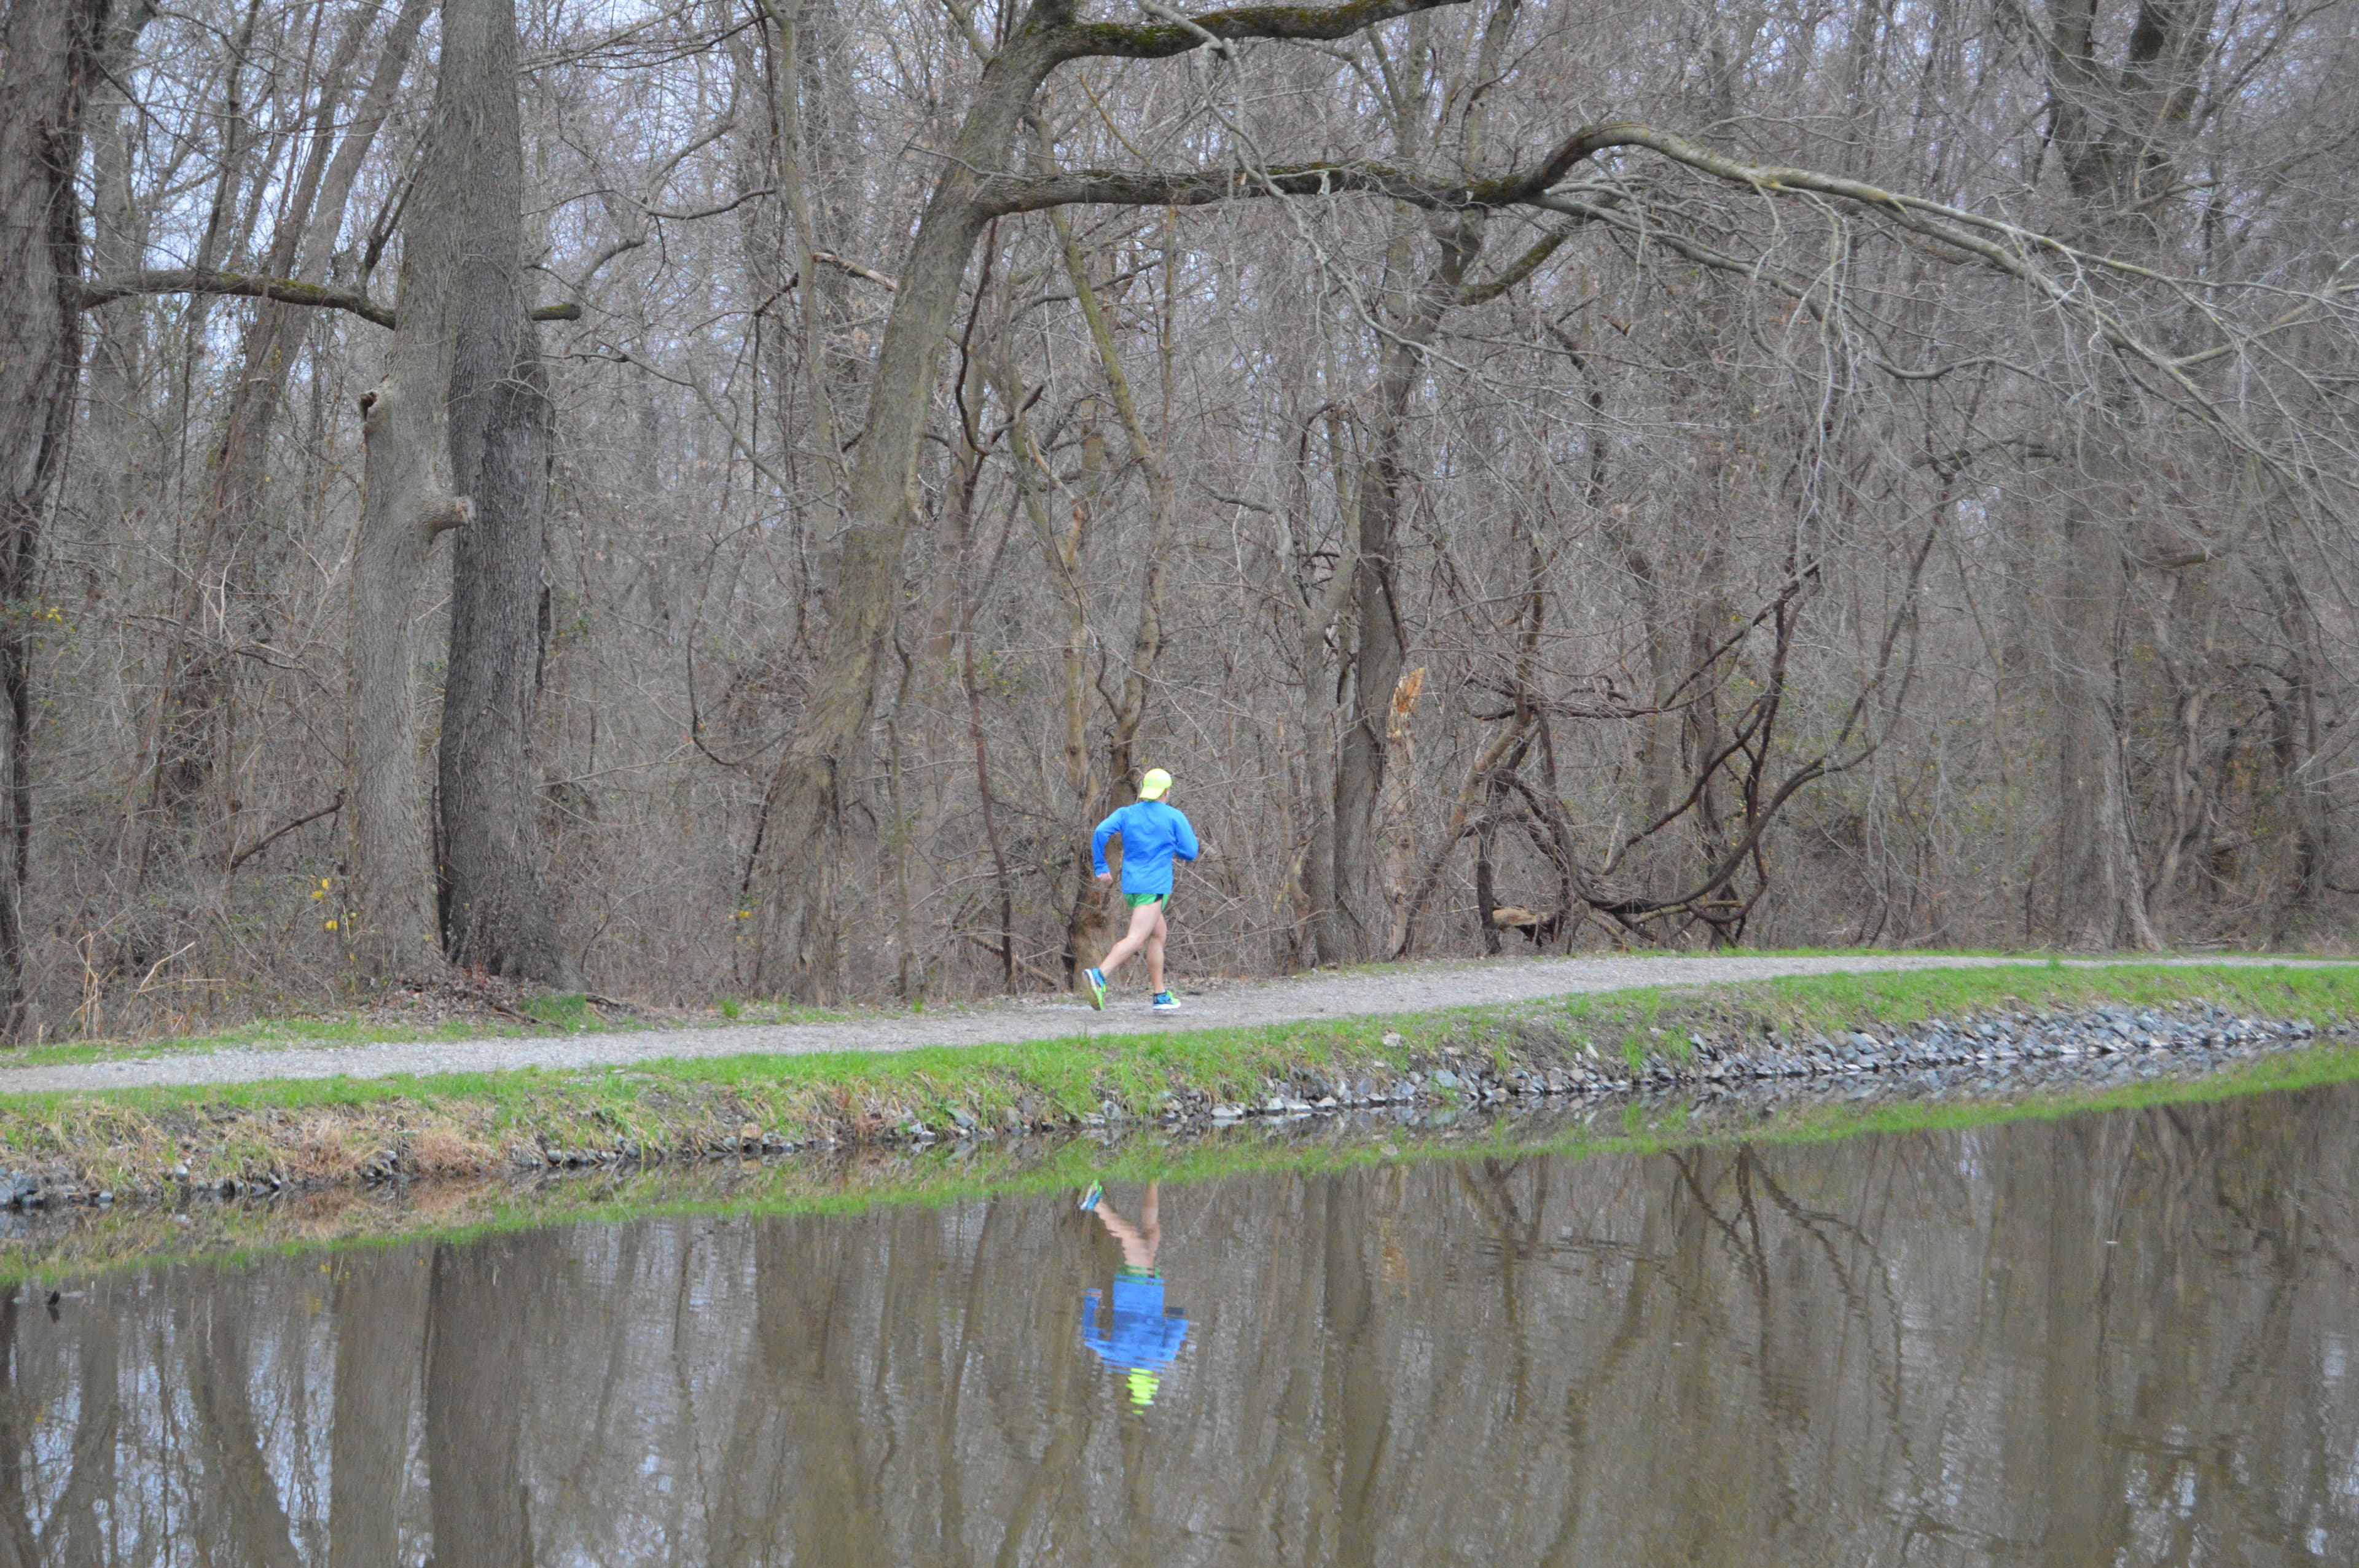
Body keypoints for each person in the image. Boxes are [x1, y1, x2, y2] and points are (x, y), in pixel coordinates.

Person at [1083, 768, 1200, 1013]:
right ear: (1167, 791)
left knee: (1158, 935)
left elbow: (1100, 832)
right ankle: (1099, 976)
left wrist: (1100, 865)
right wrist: (1171, 848)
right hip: (1154, 887)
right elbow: (1190, 852)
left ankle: (1160, 995)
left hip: (1132, 887)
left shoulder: (1126, 814)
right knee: (1136, 939)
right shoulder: (1173, 816)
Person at [1077, 1179, 1188, 1408]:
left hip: (1146, 1289)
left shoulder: (1161, 1358)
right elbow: (1090, 1338)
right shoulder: (1117, 1359)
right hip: (1129, 1289)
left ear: (1151, 1380)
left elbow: (1179, 1319)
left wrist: (1167, 1320)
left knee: (1131, 1238)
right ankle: (1153, 1178)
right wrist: (1091, 1302)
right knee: (1152, 1233)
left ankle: (1095, 1204)